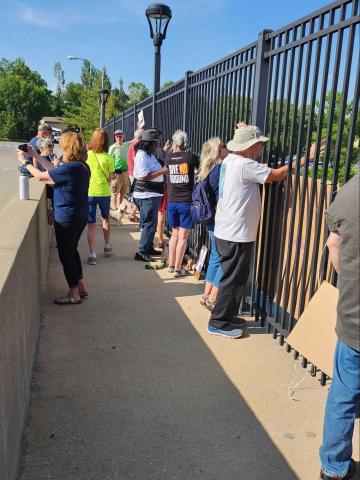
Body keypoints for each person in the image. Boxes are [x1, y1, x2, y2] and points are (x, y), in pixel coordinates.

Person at [208, 125, 321, 338]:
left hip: (227, 230)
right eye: (260, 143)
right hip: (236, 233)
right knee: (232, 279)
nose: (262, 146)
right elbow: (277, 175)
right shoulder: (244, 164)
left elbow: (263, 170)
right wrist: (308, 158)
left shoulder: (231, 161)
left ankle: (227, 316)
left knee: (235, 277)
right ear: (250, 146)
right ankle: (218, 322)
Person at [17, 132, 90, 304]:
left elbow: (42, 176)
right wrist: (34, 154)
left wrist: (25, 162)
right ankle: (80, 286)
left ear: (68, 148)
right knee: (73, 251)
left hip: (67, 218)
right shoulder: (81, 166)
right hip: (80, 216)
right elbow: (54, 171)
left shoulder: (71, 167)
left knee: (66, 255)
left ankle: (74, 293)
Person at [319, 171, 360, 480]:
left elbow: (333, 246)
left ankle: (333, 467)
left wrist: (348, 275)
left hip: (353, 315)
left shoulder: (348, 193)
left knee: (343, 393)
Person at [198, 137, 229, 310]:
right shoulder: (219, 170)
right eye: (224, 146)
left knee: (216, 256)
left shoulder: (206, 170)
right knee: (225, 257)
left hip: (209, 218)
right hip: (218, 218)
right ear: (218, 151)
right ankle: (213, 297)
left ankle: (206, 294)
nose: (227, 148)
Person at [166, 130, 199, 277]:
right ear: (185, 143)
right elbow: (201, 168)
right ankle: (178, 268)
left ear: (175, 143)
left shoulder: (169, 158)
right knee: (183, 237)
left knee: (174, 234)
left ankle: (171, 265)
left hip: (172, 201)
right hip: (186, 201)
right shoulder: (190, 157)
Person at [133, 128, 168, 262]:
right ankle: (141, 251)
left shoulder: (149, 154)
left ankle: (147, 247)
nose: (157, 146)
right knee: (149, 224)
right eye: (156, 144)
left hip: (152, 193)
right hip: (146, 194)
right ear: (150, 143)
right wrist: (162, 171)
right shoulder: (142, 155)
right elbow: (143, 176)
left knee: (151, 223)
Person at [86, 128, 115, 265]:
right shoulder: (109, 157)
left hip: (90, 192)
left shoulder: (88, 155)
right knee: (105, 219)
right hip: (104, 192)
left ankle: (92, 254)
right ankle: (107, 245)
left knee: (91, 223)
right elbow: (110, 178)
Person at [108, 129, 129, 213]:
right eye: (117, 136)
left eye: (120, 136)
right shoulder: (112, 147)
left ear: (123, 136)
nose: (119, 137)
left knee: (123, 192)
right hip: (117, 173)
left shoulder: (126, 145)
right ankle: (113, 210)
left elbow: (136, 139)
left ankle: (119, 209)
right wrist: (111, 173)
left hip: (125, 172)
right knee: (114, 192)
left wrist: (139, 125)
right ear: (115, 137)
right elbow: (109, 160)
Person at [127, 129, 143, 222]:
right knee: (137, 195)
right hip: (135, 173)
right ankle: (132, 214)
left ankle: (132, 213)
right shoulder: (134, 145)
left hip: (133, 172)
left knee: (135, 194)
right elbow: (135, 159)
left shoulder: (134, 144)